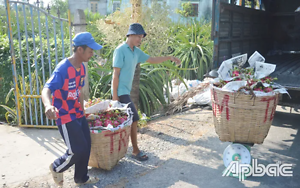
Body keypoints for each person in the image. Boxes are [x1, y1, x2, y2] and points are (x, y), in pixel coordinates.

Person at [112, 23, 181, 161]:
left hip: (125, 91)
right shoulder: (120, 50)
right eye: (138, 36)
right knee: (134, 118)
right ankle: (135, 150)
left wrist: (169, 58)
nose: (140, 40)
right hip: (120, 92)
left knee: (125, 121)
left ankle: (120, 150)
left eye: (141, 37)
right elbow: (115, 74)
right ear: (130, 35)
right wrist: (115, 97)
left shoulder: (136, 52)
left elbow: (152, 60)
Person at [41, 32, 102, 186]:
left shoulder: (81, 68)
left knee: (86, 146)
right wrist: (48, 105)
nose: (92, 54)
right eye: (90, 51)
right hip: (65, 116)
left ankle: (81, 178)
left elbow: (79, 92)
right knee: (76, 150)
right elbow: (46, 89)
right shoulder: (63, 68)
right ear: (80, 50)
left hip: (77, 114)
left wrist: (83, 112)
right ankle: (56, 167)